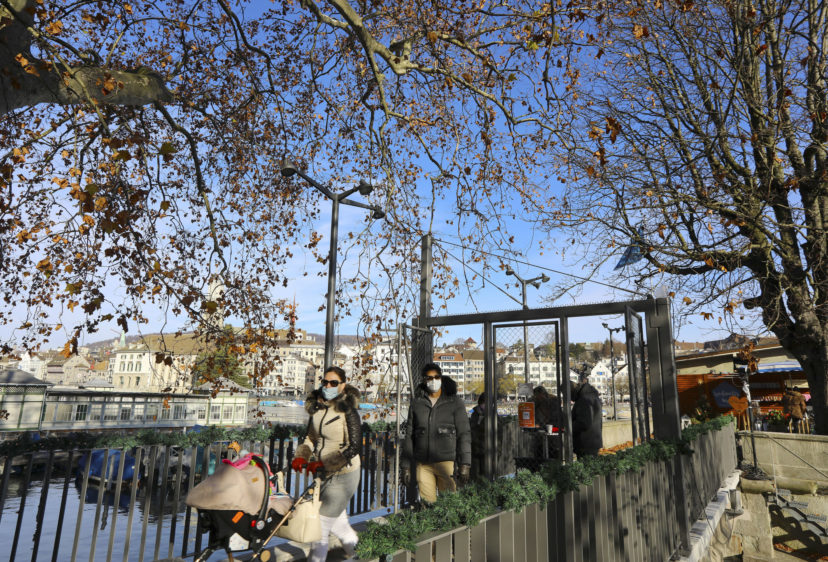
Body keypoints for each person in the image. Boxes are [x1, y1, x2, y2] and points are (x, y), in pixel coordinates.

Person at [292, 366, 361, 562]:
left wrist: (327, 465)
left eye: (333, 383)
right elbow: (310, 438)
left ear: (342, 385)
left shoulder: (347, 410)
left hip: (344, 474)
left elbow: (354, 446)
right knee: (339, 524)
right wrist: (302, 456)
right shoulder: (317, 409)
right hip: (323, 474)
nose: (328, 386)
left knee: (320, 527)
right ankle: (361, 554)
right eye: (325, 382)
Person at [401, 363, 472, 504]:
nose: (433, 381)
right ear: (424, 380)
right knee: (428, 505)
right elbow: (409, 436)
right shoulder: (417, 404)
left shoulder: (454, 402)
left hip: (447, 462)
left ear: (441, 378)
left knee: (449, 504)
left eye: (436, 377)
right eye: (429, 378)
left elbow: (464, 434)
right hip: (423, 464)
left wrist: (465, 464)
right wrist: (406, 466)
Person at [568, 380, 603, 458]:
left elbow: (584, 423)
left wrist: (569, 426)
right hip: (593, 441)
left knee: (586, 462)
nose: (569, 398)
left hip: (585, 443)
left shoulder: (583, 400)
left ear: (571, 391)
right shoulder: (592, 396)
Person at [469, 393, 487, 480]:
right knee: (474, 477)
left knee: (485, 477)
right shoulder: (474, 414)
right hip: (474, 450)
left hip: (486, 451)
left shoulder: (493, 415)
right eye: (483, 403)